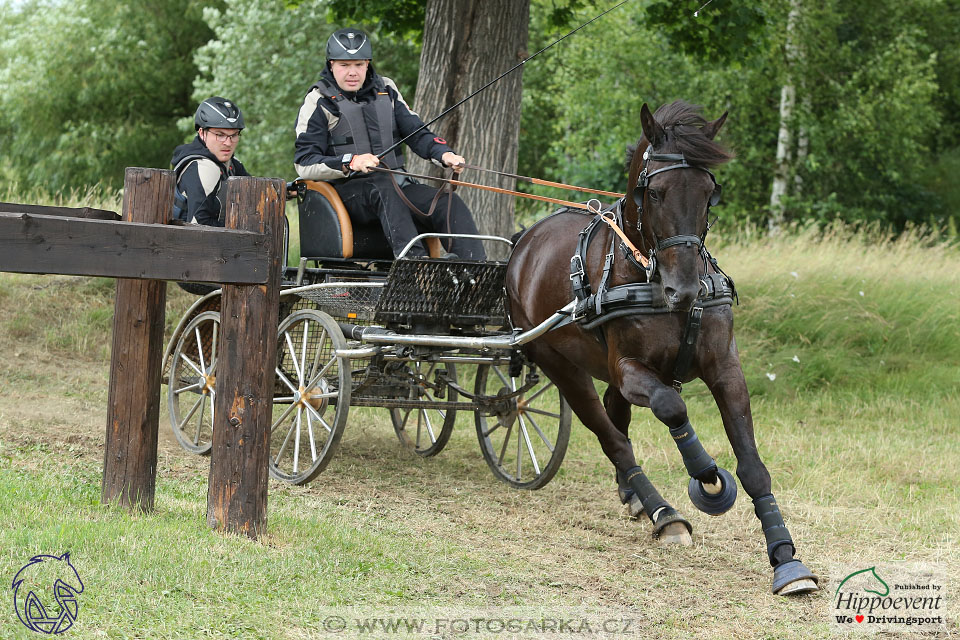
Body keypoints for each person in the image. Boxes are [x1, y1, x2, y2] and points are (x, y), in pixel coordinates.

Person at [293, 28, 486, 260]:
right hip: (349, 194)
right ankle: (413, 264)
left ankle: (472, 271)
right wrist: (351, 161)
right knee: (381, 183)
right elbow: (304, 163)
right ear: (331, 64)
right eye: (345, 65)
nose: (352, 72)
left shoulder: (387, 90)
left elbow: (416, 132)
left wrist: (444, 154)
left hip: (397, 187)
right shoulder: (318, 102)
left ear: (367, 64)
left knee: (446, 201)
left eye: (359, 65)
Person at [171, 97, 249, 226]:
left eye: (234, 135)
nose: (228, 143)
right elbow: (198, 226)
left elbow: (254, 190)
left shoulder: (231, 163)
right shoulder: (203, 167)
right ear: (202, 133)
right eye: (220, 135)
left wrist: (285, 190)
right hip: (188, 244)